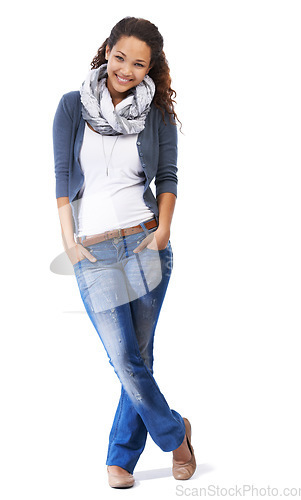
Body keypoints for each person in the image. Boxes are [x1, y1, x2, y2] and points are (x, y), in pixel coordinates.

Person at [53, 16, 196, 489]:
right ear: (106, 51)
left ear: (150, 68)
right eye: (120, 58)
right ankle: (176, 436)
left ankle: (120, 459)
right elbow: (60, 182)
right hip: (93, 252)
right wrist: (70, 244)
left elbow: (168, 177)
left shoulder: (157, 116)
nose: (126, 70)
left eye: (139, 64)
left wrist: (162, 232)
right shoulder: (72, 107)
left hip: (144, 241)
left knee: (136, 357)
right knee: (126, 359)